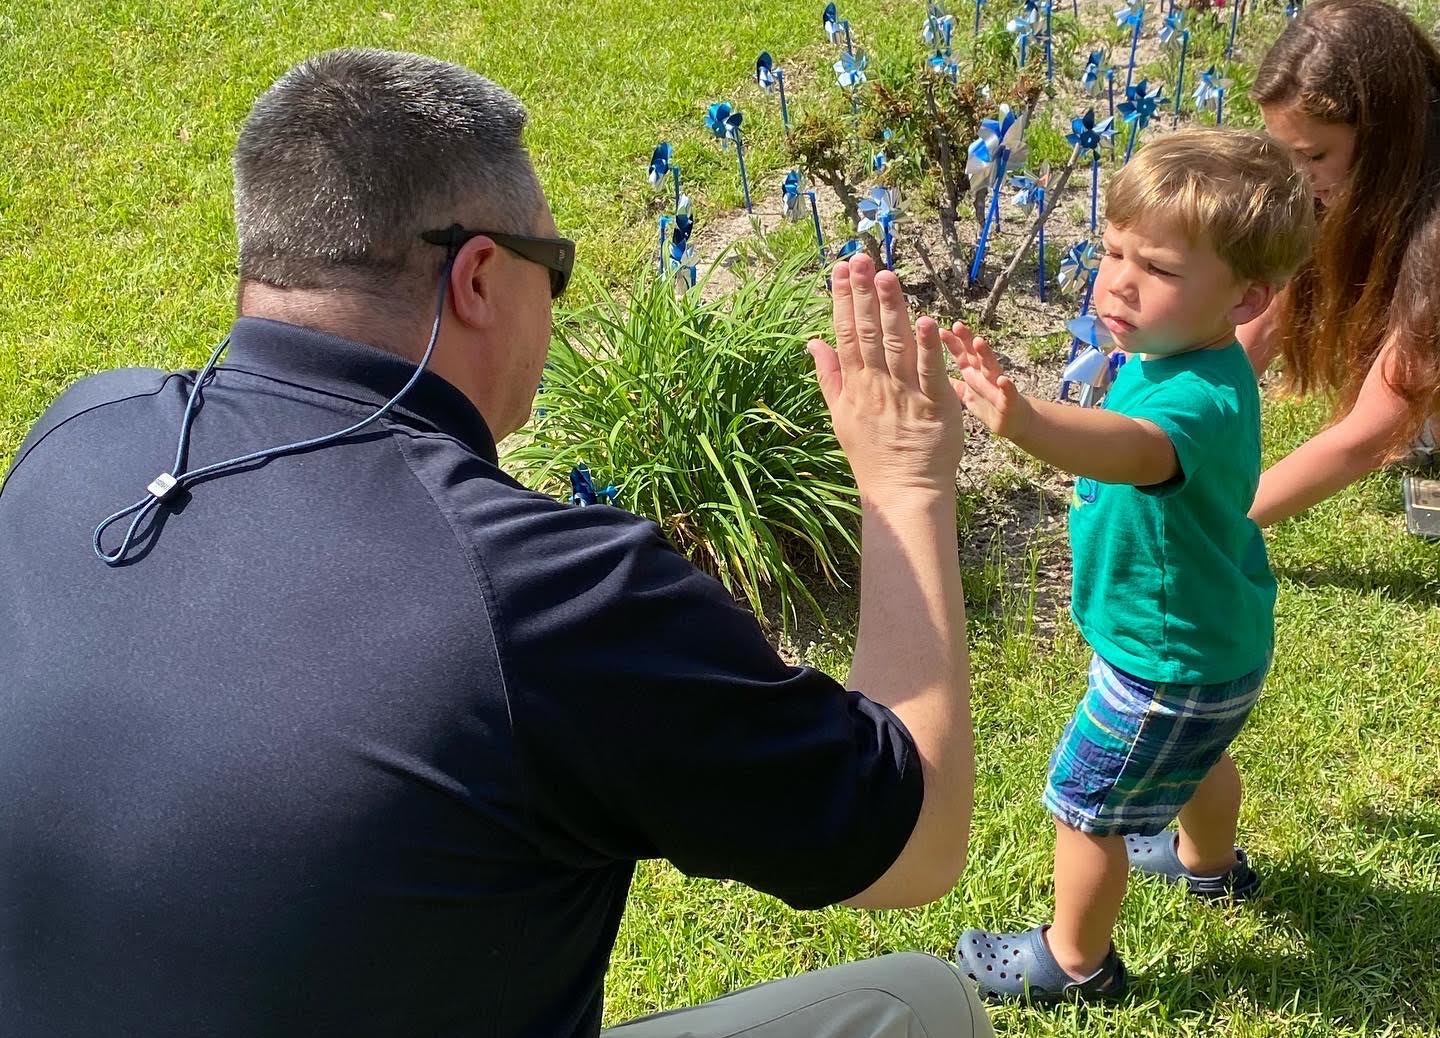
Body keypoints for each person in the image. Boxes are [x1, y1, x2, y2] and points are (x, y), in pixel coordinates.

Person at [0, 50, 991, 1037]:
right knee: (917, 1007)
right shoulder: (549, 596)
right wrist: (905, 488)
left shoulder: (78, 431)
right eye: (552, 271)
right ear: (477, 276)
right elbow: (915, 839)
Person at [945, 129, 1315, 1002]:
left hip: (1163, 666)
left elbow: (1135, 449)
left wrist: (1027, 422)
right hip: (1211, 647)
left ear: (1245, 299)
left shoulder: (1197, 397)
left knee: (1083, 808)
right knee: (1201, 761)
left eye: (1158, 268)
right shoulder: (1181, 355)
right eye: (1112, 250)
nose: (1117, 278)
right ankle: (1209, 865)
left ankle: (1074, 963)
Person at [1243, 0, 1440, 526]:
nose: (1296, 174)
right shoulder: (1336, 182)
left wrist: (1219, 526)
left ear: (1382, 137)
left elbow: (1369, 432)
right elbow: (1266, 319)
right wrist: (1174, 423)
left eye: (1314, 156)